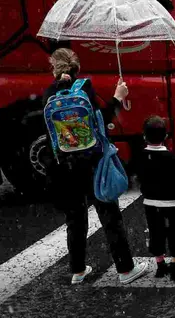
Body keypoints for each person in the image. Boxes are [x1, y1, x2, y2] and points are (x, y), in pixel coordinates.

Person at [43, 48, 147, 285]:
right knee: (109, 215)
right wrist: (118, 97)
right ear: (77, 67)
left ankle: (78, 271)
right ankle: (125, 269)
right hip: (93, 162)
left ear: (54, 68)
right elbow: (102, 120)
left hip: (64, 165)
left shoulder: (48, 94)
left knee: (75, 220)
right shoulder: (85, 88)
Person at [136, 116, 175, 281]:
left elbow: (139, 177)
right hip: (170, 204)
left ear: (144, 136)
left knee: (155, 233)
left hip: (150, 204)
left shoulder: (140, 156)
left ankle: (161, 266)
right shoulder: (170, 158)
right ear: (165, 136)